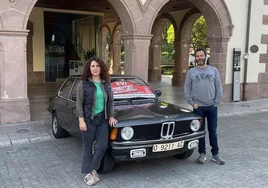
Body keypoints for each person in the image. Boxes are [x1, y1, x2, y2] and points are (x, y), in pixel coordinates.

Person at [76, 57, 118, 186]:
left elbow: (110, 101)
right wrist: (81, 120)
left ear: (101, 68)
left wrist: (111, 116)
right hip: (88, 120)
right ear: (89, 68)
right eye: (93, 66)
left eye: (97, 66)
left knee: (102, 147)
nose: (95, 68)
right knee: (87, 148)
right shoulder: (83, 84)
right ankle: (89, 173)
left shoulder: (106, 83)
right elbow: (79, 103)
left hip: (102, 120)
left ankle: (92, 170)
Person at [184, 48, 225, 165]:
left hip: (212, 106)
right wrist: (193, 104)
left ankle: (215, 154)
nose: (199, 58)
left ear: (205, 56)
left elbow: (219, 87)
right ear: (195, 58)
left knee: (213, 131)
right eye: (197, 56)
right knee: (200, 132)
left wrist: (216, 103)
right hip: (198, 108)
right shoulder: (191, 72)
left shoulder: (213, 70)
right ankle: (202, 154)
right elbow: (186, 89)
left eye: (201, 55)